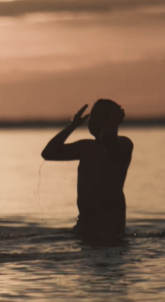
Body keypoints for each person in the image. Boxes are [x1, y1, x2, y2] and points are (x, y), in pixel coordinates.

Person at [41, 100, 133, 237]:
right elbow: (48, 153)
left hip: (110, 227)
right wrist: (73, 126)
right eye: (93, 115)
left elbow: (107, 138)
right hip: (85, 225)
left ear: (112, 120)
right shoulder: (85, 148)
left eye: (100, 115)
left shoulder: (123, 145)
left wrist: (114, 117)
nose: (93, 120)